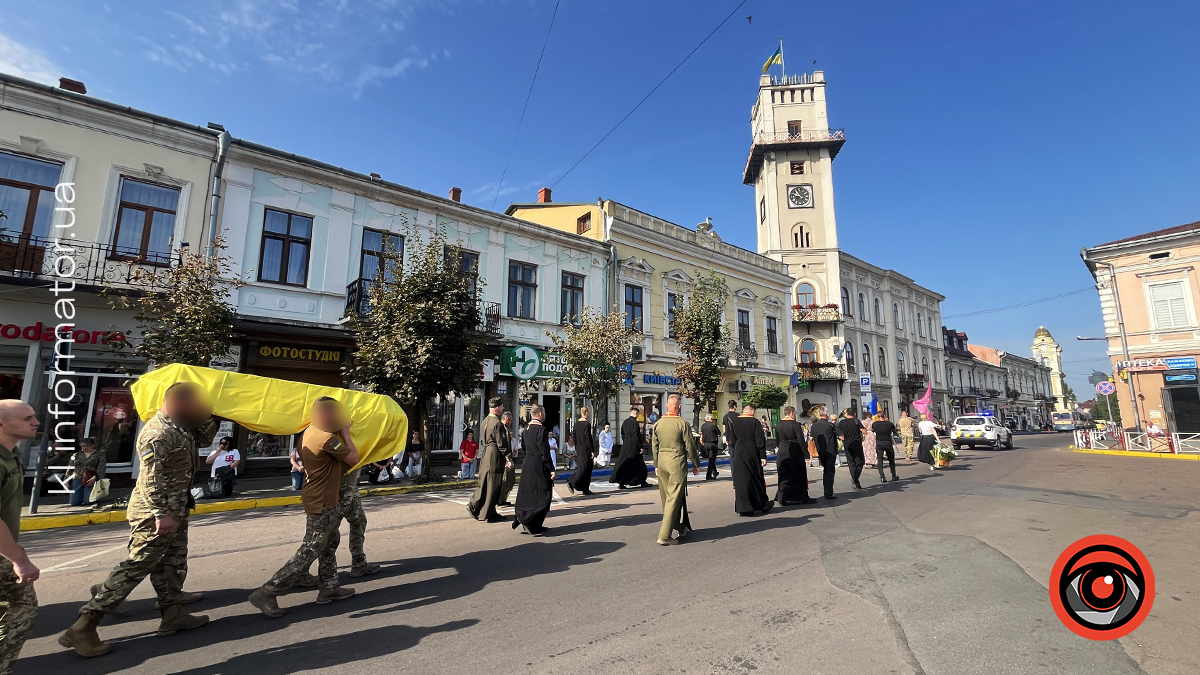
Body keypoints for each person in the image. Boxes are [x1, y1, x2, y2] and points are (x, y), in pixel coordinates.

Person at [61, 382, 217, 656]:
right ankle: (84, 626)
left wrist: (210, 414)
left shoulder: (182, 425)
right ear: (178, 403)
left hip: (176, 507)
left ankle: (172, 615)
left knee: (171, 563)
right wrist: (161, 513)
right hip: (154, 513)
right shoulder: (158, 433)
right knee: (137, 566)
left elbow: (204, 439)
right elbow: (149, 479)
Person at [248, 397, 359, 618]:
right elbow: (353, 458)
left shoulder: (307, 432)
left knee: (329, 542)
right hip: (322, 500)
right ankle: (268, 590)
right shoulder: (328, 438)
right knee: (312, 548)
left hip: (319, 496)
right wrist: (346, 432)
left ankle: (329, 586)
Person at [0, 400, 41, 673]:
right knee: (20, 611)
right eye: (27, 418)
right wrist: (19, 559)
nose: (35, 422)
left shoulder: (10, 455)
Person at [651, 395, 701, 545]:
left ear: (667, 405)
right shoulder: (682, 423)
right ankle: (664, 535)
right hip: (676, 462)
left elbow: (654, 446)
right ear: (678, 407)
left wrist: (656, 465)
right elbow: (690, 446)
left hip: (662, 461)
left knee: (667, 497)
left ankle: (680, 526)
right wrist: (696, 463)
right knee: (674, 497)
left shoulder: (658, 424)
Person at [512, 405, 556, 535]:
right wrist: (551, 468)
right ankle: (531, 522)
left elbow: (524, 447)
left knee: (529, 492)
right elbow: (544, 451)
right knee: (543, 493)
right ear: (541, 414)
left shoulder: (526, 429)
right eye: (544, 413)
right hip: (539, 463)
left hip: (528, 462)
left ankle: (532, 521)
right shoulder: (541, 429)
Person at [467, 397, 512, 523]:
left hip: (486, 452)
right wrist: (508, 458)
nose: (503, 408)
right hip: (494, 454)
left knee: (486, 482)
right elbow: (502, 443)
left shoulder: (485, 420)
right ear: (497, 408)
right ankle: (486, 511)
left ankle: (478, 507)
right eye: (502, 406)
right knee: (494, 483)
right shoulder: (497, 423)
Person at [336, 461, 381, 579]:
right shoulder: (336, 443)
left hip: (345, 485)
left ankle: (359, 562)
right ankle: (293, 572)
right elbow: (353, 458)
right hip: (340, 486)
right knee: (324, 535)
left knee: (358, 521)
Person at [729, 404, 772, 516]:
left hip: (739, 450)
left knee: (741, 479)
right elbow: (760, 440)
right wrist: (763, 456)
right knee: (755, 476)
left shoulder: (735, 421)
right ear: (752, 411)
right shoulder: (754, 422)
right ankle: (761, 504)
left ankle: (742, 508)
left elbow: (732, 439)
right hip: (752, 451)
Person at [774, 407, 816, 505]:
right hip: (794, 450)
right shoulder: (795, 425)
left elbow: (777, 439)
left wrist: (781, 447)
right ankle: (802, 497)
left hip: (782, 449)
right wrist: (806, 454)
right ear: (792, 413)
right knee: (798, 474)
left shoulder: (778, 424)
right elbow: (801, 440)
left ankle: (782, 497)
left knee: (784, 474)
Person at [611, 406, 650, 489]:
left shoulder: (625, 422)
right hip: (634, 446)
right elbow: (636, 435)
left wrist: (626, 441)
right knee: (640, 465)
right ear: (635, 413)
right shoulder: (635, 423)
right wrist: (640, 446)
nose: (637, 416)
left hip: (626, 445)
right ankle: (642, 481)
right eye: (638, 414)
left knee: (626, 463)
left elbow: (622, 434)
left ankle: (622, 482)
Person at [809, 407, 839, 500]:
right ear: (827, 414)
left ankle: (827, 491)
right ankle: (828, 492)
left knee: (825, 470)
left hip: (820, 451)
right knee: (829, 472)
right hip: (830, 451)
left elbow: (811, 438)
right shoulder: (830, 425)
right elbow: (842, 436)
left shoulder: (814, 425)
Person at [567, 406, 596, 496]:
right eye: (589, 412)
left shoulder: (576, 424)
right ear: (586, 413)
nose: (589, 413)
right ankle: (571, 481)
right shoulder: (586, 424)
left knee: (586, 467)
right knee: (585, 467)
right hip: (586, 448)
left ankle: (585, 488)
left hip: (579, 448)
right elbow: (588, 438)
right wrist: (592, 450)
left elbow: (574, 437)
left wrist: (577, 447)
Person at [70, 437, 107, 507]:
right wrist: (66, 481)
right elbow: (70, 468)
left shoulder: (99, 454)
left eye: (87, 446)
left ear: (92, 445)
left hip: (91, 477)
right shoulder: (76, 455)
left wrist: (95, 478)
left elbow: (101, 468)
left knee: (87, 502)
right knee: (75, 502)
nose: (85, 447)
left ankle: (93, 495)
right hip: (78, 477)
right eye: (83, 446)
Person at [835, 408, 866, 490]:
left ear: (846, 414)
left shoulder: (841, 422)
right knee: (861, 462)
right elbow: (864, 432)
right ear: (854, 414)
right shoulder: (856, 421)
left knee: (851, 462)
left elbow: (839, 433)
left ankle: (855, 481)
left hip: (847, 445)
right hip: (857, 444)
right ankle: (855, 479)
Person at [872, 412, 900, 483]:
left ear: (878, 417)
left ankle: (882, 477)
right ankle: (893, 476)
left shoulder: (874, 424)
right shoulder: (889, 423)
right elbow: (895, 429)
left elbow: (873, 430)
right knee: (891, 459)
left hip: (879, 442)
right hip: (888, 442)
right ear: (884, 416)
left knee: (880, 460)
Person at [498, 412, 518, 506]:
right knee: (505, 479)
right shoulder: (501, 429)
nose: (511, 422)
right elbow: (502, 446)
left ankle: (503, 498)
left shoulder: (505, 429)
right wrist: (507, 459)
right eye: (511, 420)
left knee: (510, 479)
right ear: (507, 419)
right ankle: (499, 499)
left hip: (508, 458)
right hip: (504, 459)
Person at [699, 413, 721, 480]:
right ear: (710, 419)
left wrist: (702, 442)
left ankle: (715, 472)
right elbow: (719, 434)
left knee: (711, 458)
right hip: (713, 444)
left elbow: (701, 435)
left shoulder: (703, 426)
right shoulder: (713, 425)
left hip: (706, 444)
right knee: (712, 460)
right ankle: (708, 475)